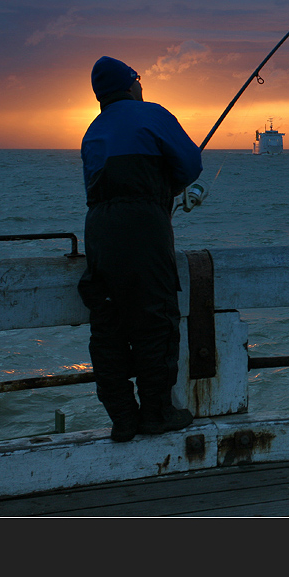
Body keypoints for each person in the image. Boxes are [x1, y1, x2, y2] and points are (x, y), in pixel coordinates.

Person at [78, 56, 203, 442]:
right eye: (139, 79)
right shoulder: (151, 114)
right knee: (155, 319)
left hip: (98, 228)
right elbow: (191, 164)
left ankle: (122, 419)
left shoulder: (92, 131)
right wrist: (164, 191)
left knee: (108, 324)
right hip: (144, 226)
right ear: (132, 84)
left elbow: (96, 189)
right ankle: (156, 413)